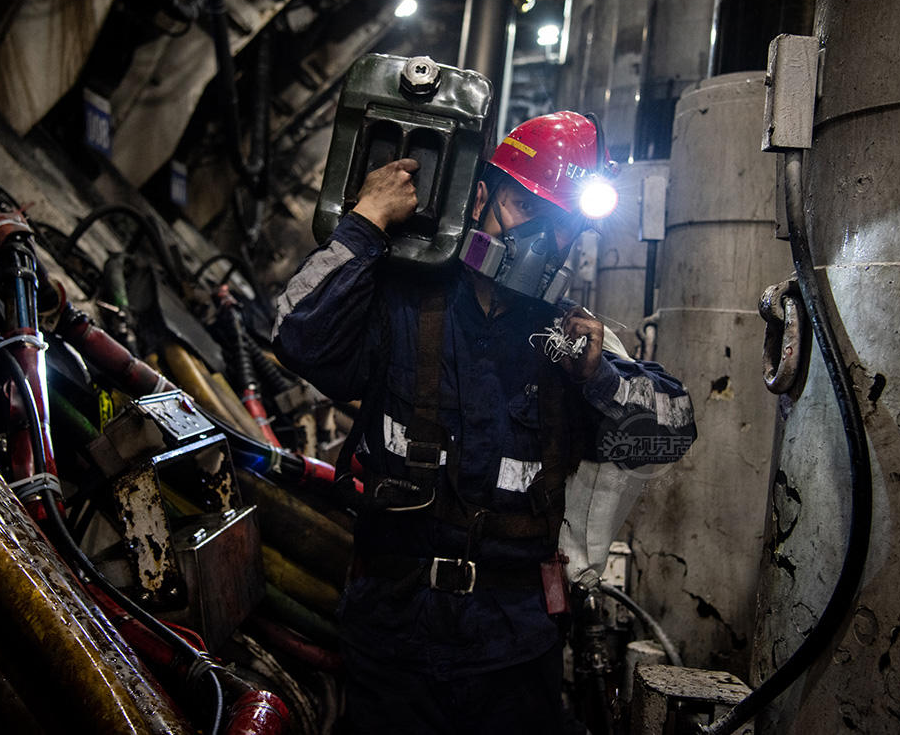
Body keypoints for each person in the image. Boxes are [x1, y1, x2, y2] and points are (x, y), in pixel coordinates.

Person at [273, 111, 696, 734]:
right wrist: (366, 225)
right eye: (527, 210)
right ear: (479, 197)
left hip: (513, 656)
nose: (541, 243)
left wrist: (598, 378)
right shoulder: (398, 305)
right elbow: (297, 335)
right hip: (392, 641)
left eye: (560, 228)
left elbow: (673, 429)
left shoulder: (568, 344)